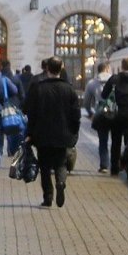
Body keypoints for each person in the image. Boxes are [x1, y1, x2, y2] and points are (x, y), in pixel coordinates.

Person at [23, 56, 81, 208]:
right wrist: (74, 132)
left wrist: (30, 133)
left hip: (42, 134)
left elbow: (30, 112)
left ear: (47, 69)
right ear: (61, 68)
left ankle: (48, 197)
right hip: (63, 134)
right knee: (61, 163)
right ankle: (61, 182)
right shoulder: (69, 89)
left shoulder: (38, 88)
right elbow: (76, 115)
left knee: (44, 166)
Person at [103, 57, 128, 178]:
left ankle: (114, 169)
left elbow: (104, 94)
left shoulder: (114, 79)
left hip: (115, 115)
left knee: (115, 142)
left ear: (122, 66)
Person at [84, 61, 113, 173]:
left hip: (101, 114)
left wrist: (90, 113)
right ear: (106, 69)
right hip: (115, 113)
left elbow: (86, 102)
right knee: (116, 140)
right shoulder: (115, 81)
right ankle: (115, 166)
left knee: (103, 141)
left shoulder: (92, 83)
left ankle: (104, 165)